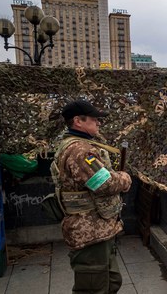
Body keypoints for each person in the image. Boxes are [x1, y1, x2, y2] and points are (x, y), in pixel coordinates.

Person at [54, 100, 132, 293]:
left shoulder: (79, 145)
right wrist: (125, 178)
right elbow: (104, 183)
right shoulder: (80, 150)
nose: (99, 123)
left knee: (111, 281)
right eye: (95, 119)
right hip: (88, 231)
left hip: (98, 228)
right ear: (78, 121)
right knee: (93, 287)